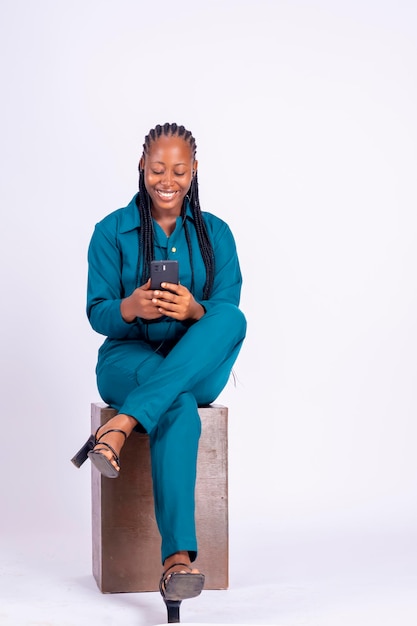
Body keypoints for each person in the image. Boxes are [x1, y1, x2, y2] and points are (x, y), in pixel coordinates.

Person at [71, 122, 246, 622]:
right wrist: (130, 307)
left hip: (198, 364)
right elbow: (97, 313)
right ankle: (176, 563)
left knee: (230, 317)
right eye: (156, 169)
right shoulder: (110, 231)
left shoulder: (217, 233)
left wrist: (194, 312)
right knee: (180, 410)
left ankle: (121, 425)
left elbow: (226, 316)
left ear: (194, 172)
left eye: (178, 169)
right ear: (141, 169)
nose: (166, 180)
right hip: (129, 363)